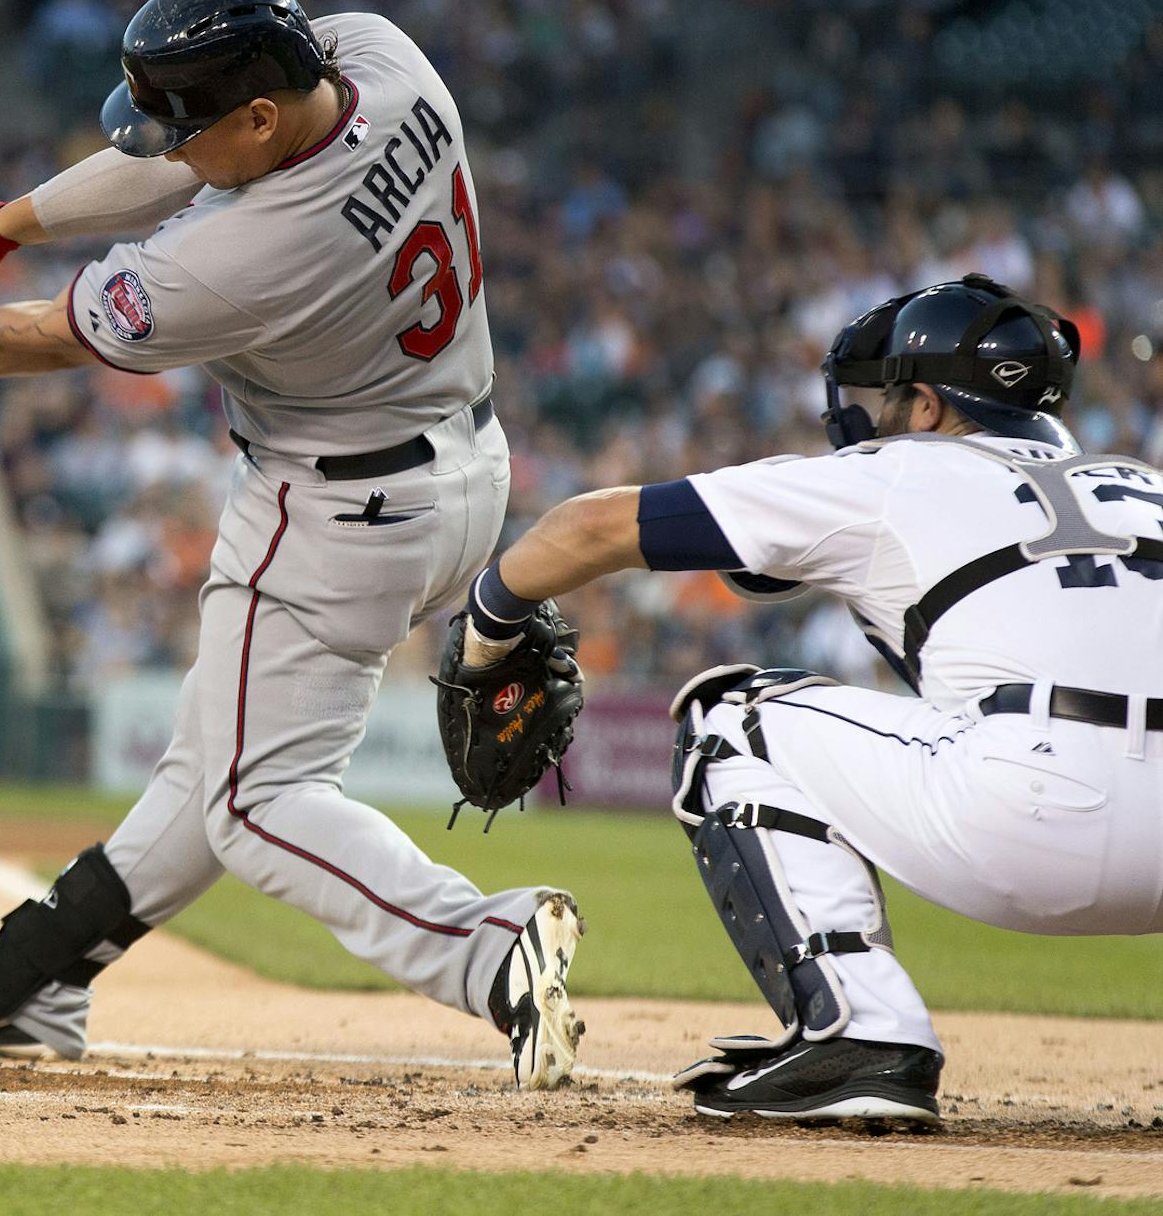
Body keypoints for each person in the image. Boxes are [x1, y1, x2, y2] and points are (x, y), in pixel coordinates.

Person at [0, 0, 586, 1088]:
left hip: (333, 508)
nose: (169, 149)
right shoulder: (383, 55)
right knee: (216, 759)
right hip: (461, 463)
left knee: (255, 801)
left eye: (188, 128)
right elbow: (155, 170)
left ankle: (486, 950)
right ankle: (33, 981)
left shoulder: (242, 258)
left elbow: (36, 338)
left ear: (262, 115)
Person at [451, 275, 1163, 1123]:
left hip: (1036, 812)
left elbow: (591, 529)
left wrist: (486, 623)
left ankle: (861, 1034)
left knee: (731, 720)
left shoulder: (898, 471)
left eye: (892, 394)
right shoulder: (1142, 481)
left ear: (929, 407)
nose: (879, 413)